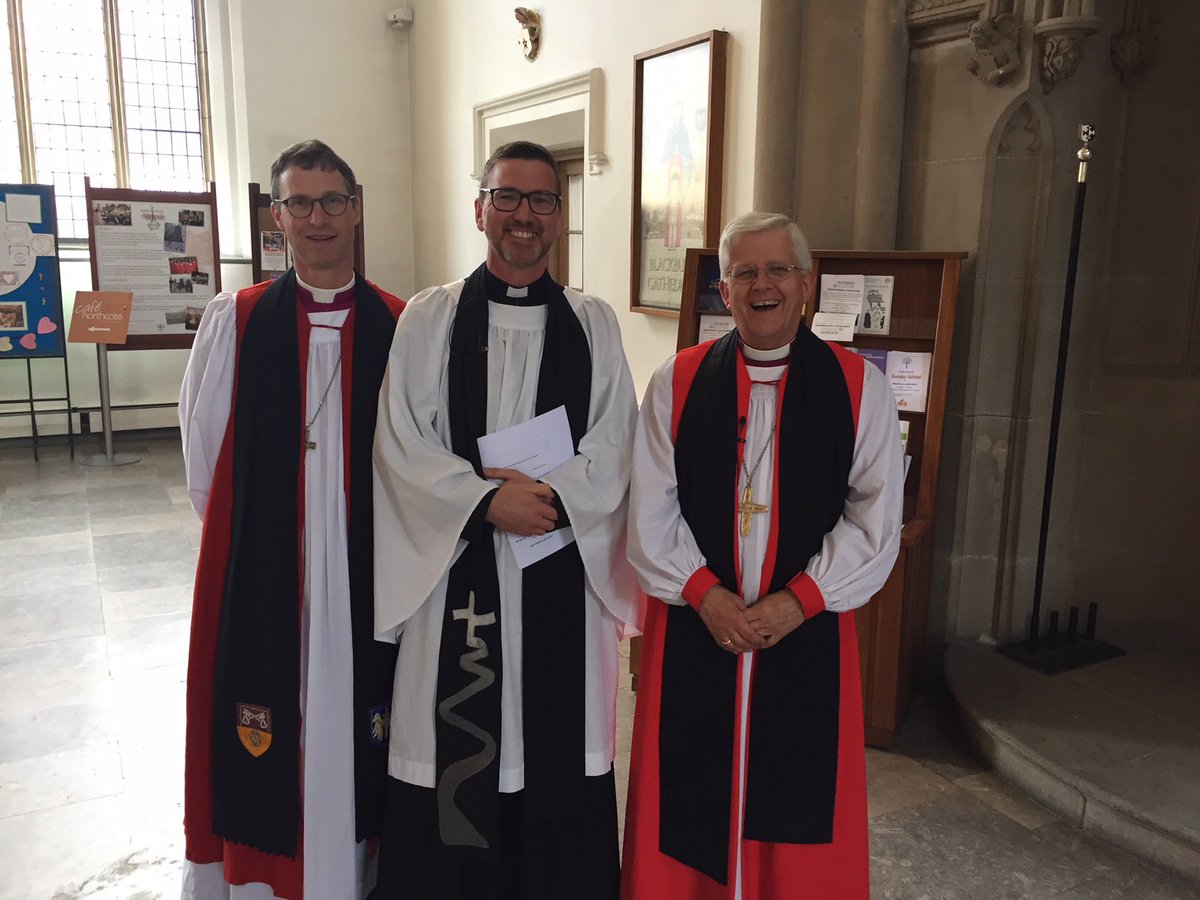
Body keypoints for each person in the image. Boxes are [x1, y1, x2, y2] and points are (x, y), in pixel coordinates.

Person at [371, 140, 641, 899]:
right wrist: (487, 502)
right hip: (456, 567)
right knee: (458, 741)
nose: (525, 215)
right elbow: (400, 443)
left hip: (559, 561)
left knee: (556, 751)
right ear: (481, 206)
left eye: (543, 200)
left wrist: (545, 504)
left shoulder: (593, 324)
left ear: (560, 216)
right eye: (509, 197)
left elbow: (617, 443)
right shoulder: (431, 319)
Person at [620, 212, 903, 899]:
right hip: (697, 625)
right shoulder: (678, 381)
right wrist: (705, 595)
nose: (762, 284)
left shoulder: (858, 386)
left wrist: (797, 601)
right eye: (744, 271)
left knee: (798, 800)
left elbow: (876, 518)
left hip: (803, 630)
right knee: (688, 791)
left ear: (806, 284)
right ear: (724, 288)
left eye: (778, 269)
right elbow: (648, 510)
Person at [179, 139, 405, 900]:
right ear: (277, 217)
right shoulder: (236, 320)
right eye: (300, 203)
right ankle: (265, 880)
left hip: (366, 571)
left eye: (332, 200)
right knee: (269, 717)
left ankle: (355, 871)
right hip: (270, 571)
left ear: (357, 207)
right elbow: (205, 456)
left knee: (359, 720)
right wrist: (271, 553)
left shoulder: (399, 324)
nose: (318, 218)